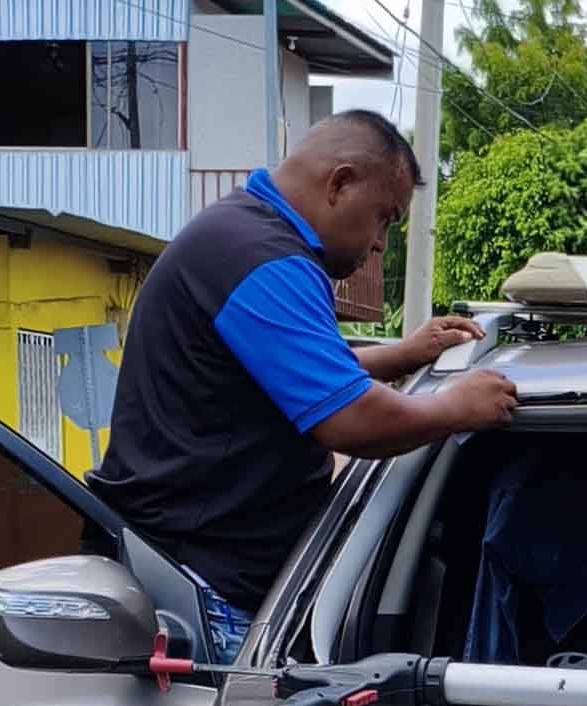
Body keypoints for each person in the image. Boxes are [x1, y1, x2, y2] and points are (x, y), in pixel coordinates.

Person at [87, 110, 518, 660]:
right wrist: (455, 407)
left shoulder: (242, 234)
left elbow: (291, 373)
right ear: (340, 184)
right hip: (211, 590)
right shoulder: (263, 258)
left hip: (207, 570)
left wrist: (405, 355)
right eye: (384, 217)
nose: (382, 243)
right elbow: (351, 420)